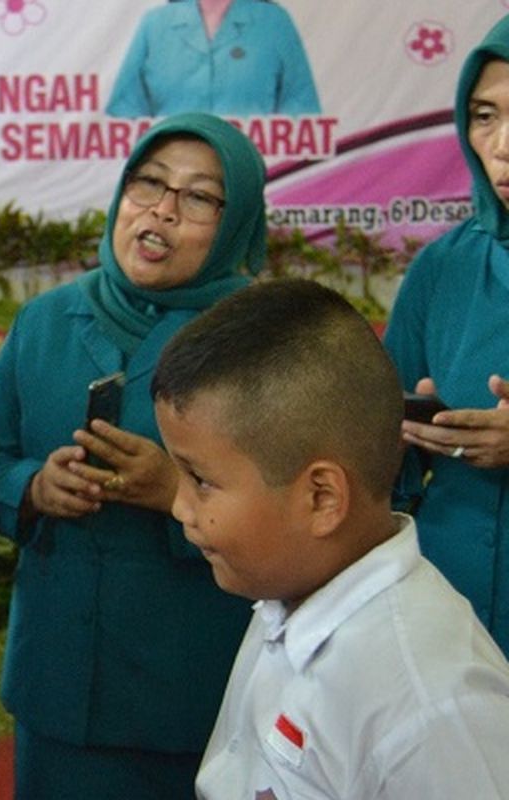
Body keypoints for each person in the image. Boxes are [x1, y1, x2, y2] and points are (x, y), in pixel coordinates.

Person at [0, 111, 265, 798]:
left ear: (236, 220)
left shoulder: (262, 342)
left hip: (195, 691)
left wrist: (175, 493)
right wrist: (35, 488)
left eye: (197, 197)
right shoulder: (45, 321)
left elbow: (302, 504)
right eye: (147, 184)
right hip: (57, 685)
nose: (161, 210)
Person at [151, 278, 509, 798]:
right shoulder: (287, 594)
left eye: (201, 480)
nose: (181, 506)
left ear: (322, 498)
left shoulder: (432, 707)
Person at [383, 14, 509, 658]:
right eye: (484, 115)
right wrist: (407, 430)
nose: (502, 144)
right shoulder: (444, 266)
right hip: (450, 601)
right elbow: (380, 455)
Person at [105, 0, 320, 118]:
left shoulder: (274, 21)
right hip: (172, 173)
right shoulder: (155, 23)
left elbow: (301, 106)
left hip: (253, 172)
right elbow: (124, 109)